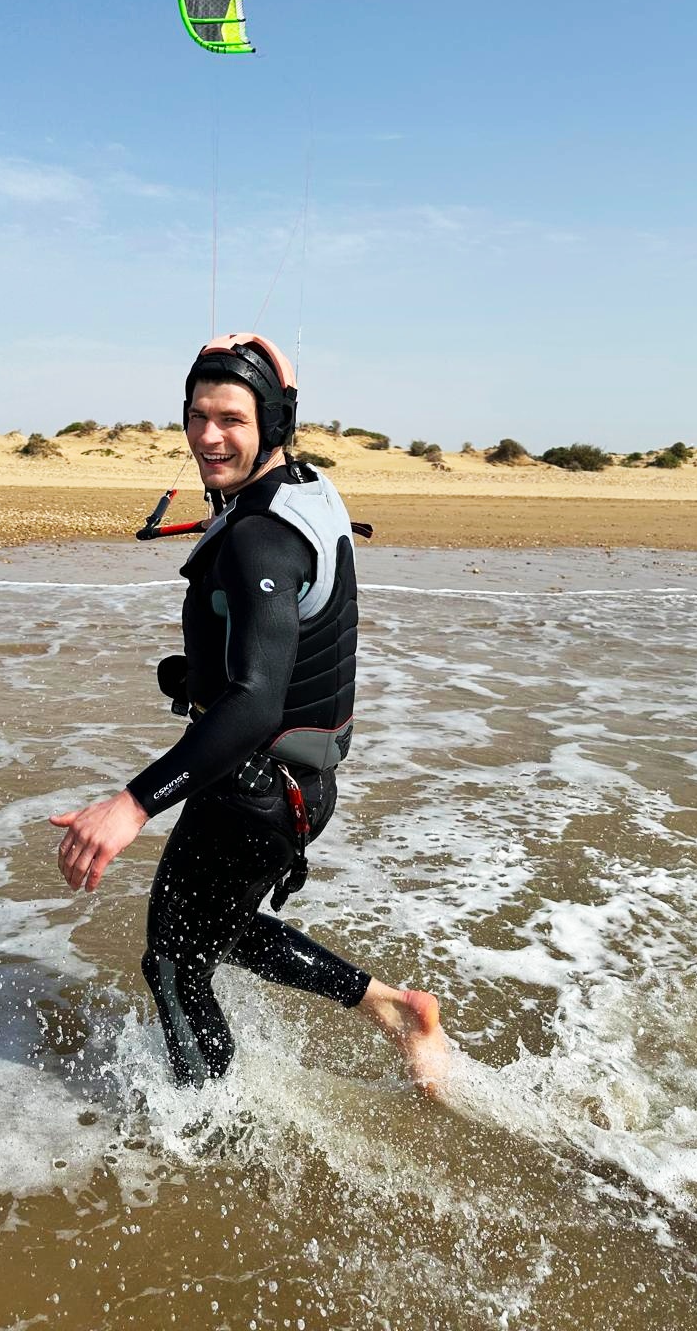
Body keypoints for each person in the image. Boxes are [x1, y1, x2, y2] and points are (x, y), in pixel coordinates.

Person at [51, 333, 450, 1091]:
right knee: (220, 931)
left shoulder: (261, 537)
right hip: (300, 784)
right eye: (197, 415)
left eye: (231, 418)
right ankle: (393, 1010)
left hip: (256, 790)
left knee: (173, 962)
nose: (207, 436)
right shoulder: (305, 486)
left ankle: (207, 1137)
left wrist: (132, 805)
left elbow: (255, 699)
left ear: (271, 422)